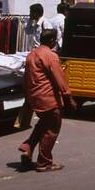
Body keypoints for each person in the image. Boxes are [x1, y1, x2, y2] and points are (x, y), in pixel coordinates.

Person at [18, 29, 76, 172]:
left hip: (35, 97)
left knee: (43, 124)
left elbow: (26, 79)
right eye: (55, 39)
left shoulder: (32, 55)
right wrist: (69, 98)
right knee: (51, 129)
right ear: (52, 41)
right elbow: (60, 79)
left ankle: (28, 149)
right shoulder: (51, 56)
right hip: (48, 98)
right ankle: (44, 163)